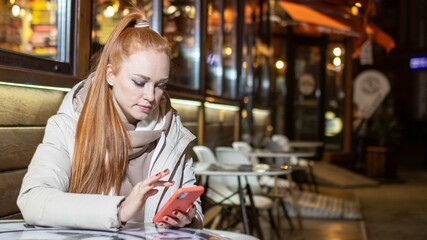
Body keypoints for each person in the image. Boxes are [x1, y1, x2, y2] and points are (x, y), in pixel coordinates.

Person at [17, 9, 203, 231]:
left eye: (160, 85)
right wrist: (119, 210)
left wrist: (189, 218)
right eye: (139, 82)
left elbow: (195, 209)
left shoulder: (173, 131)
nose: (151, 96)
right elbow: (33, 200)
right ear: (110, 75)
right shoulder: (69, 124)